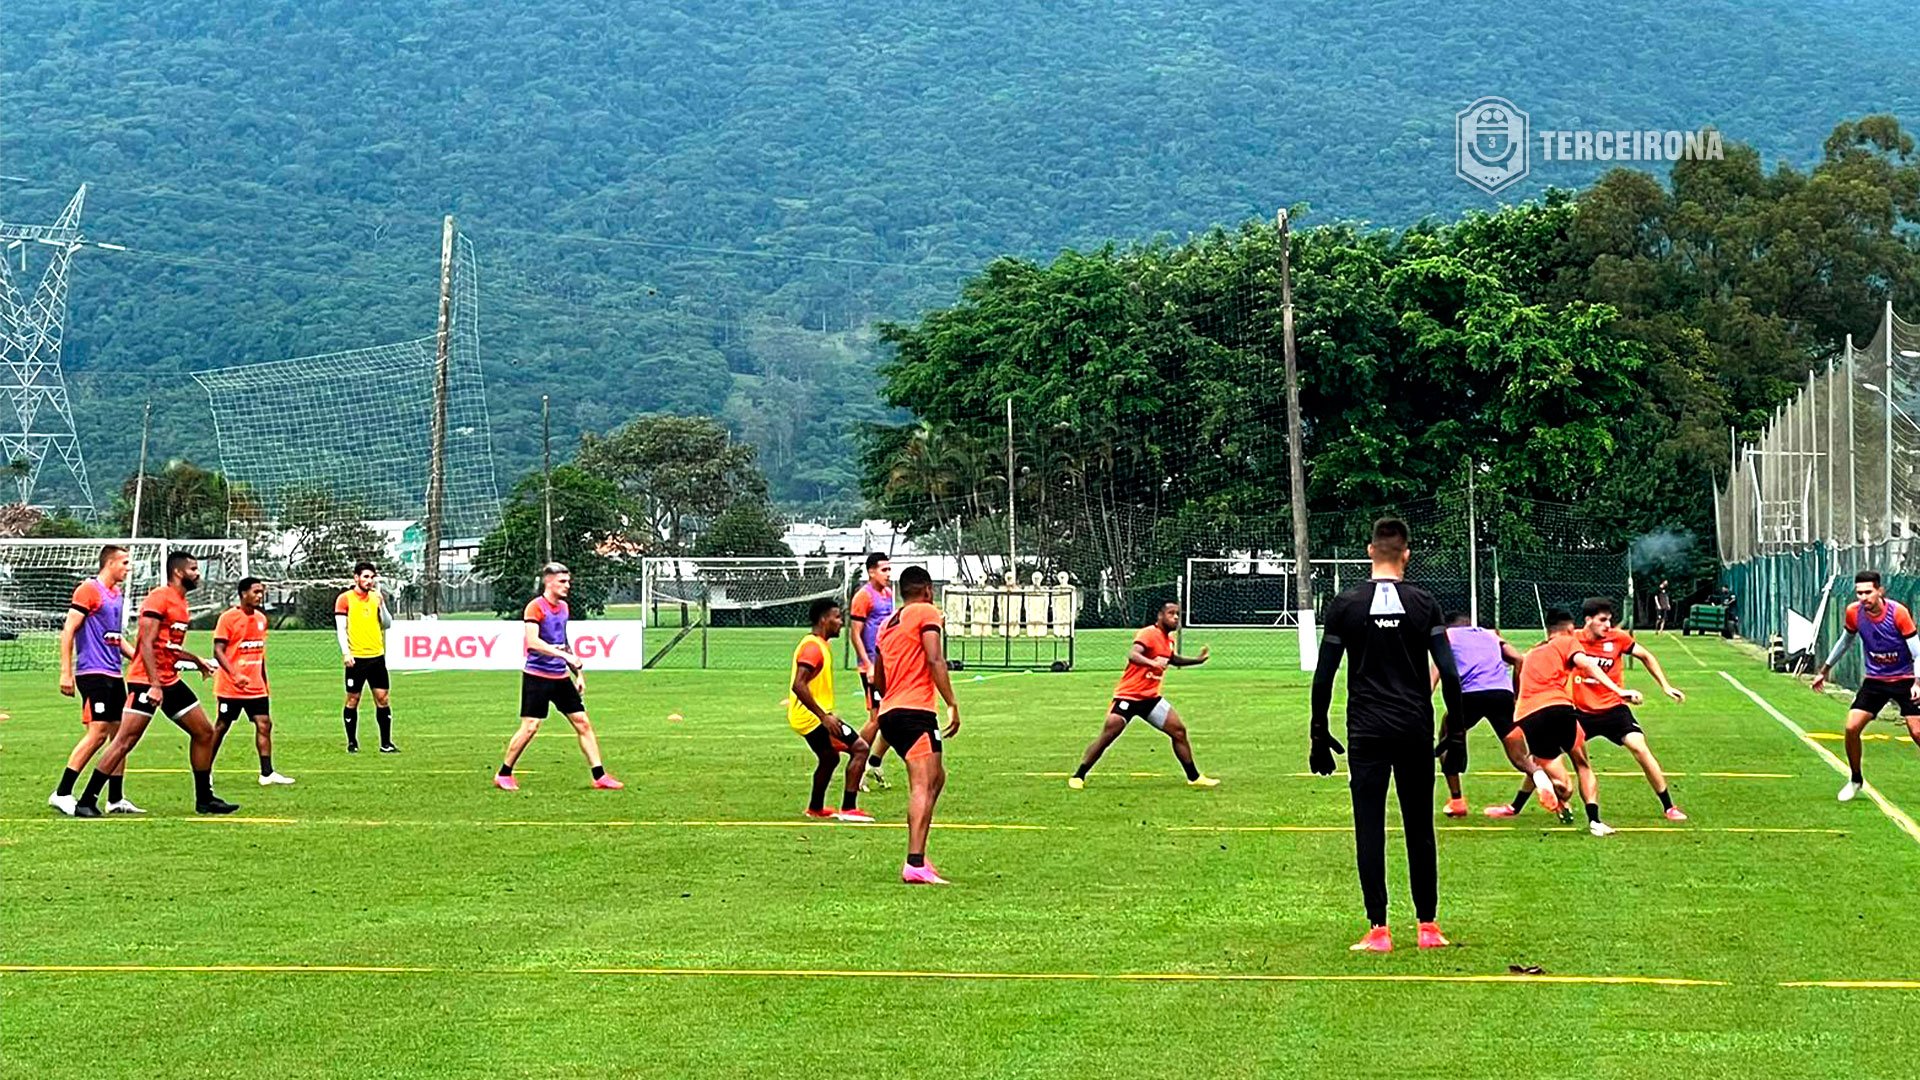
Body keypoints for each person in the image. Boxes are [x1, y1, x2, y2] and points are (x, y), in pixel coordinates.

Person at [1309, 518, 1464, 952]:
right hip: (1414, 727)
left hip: (1366, 731)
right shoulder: (1424, 603)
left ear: (1369, 550)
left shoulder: (1345, 604)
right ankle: (1428, 927)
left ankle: (1378, 929)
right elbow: (1449, 673)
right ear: (1407, 555)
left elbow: (1324, 677)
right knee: (1419, 826)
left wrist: (1318, 732)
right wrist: (1457, 734)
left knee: (1369, 827)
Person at [74, 551, 238, 816]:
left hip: (168, 679)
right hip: (146, 681)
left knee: (204, 732)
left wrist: (195, 660)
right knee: (124, 741)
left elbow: (168, 647)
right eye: (194, 569)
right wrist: (154, 684)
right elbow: (146, 644)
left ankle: (205, 799)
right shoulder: (159, 598)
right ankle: (87, 800)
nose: (198, 574)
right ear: (178, 572)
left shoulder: (182, 603)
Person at [1494, 609, 1642, 837]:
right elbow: (1587, 664)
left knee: (1563, 784)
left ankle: (1551, 788)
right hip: (1557, 708)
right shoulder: (1567, 642)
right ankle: (1595, 821)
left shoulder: (1532, 652)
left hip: (1527, 715)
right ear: (1571, 629)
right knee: (1582, 764)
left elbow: (1519, 681)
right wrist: (1618, 690)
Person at [494, 563, 623, 792]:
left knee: (583, 723)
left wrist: (578, 673)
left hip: (560, 677)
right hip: (537, 677)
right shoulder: (535, 607)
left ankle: (599, 775)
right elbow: (533, 643)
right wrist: (564, 655)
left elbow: (562, 641)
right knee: (531, 727)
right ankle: (504, 773)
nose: (567, 586)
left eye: (568, 581)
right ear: (548, 581)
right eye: (562, 582)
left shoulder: (563, 608)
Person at [869, 565, 960, 885]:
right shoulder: (926, 611)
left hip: (891, 713)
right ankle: (915, 862)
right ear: (928, 590)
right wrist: (951, 702)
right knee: (922, 783)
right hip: (915, 712)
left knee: (936, 778)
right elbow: (936, 658)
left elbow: (877, 678)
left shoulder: (887, 624)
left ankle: (919, 852)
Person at [1069, 601, 1218, 789]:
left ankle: (1194, 777)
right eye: (1171, 613)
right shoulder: (1148, 633)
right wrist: (1152, 664)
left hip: (1150, 699)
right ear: (1160, 616)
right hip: (1128, 697)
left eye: (1178, 614)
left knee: (1179, 731)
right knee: (1108, 735)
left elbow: (1172, 659)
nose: (1176, 617)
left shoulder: (1168, 640)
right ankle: (1079, 776)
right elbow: (1133, 654)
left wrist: (1197, 660)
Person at [1568, 597, 1686, 826]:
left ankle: (1669, 806)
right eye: (1602, 621)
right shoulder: (1572, 640)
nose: (1607, 626)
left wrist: (1665, 686)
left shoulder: (1618, 638)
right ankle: (1517, 804)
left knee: (1640, 749)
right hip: (1580, 712)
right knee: (1545, 753)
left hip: (1614, 709)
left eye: (1609, 620)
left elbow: (1646, 656)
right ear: (1588, 620)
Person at [1430, 613, 1553, 817]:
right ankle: (1538, 775)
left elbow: (1437, 670)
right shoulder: (1490, 635)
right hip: (1501, 694)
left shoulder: (1447, 636)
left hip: (1469, 696)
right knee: (1518, 755)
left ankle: (1457, 800)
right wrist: (1516, 693)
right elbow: (1518, 659)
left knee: (1447, 737)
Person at [1811, 570, 1920, 802]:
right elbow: (1845, 641)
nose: (1863, 597)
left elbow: (1917, 653)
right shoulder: (1853, 612)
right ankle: (1855, 779)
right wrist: (1824, 670)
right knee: (1851, 728)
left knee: (1917, 731)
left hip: (1906, 679)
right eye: (1859, 593)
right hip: (1875, 681)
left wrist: (1917, 682)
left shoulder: (1898, 613)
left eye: (1868, 592)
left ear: (1880, 591)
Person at [49, 545, 140, 816]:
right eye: (124, 562)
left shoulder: (117, 595)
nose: (128, 567)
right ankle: (62, 793)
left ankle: (115, 798)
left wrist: (141, 660)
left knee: (120, 735)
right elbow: (68, 631)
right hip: (92, 673)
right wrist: (66, 672)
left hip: (114, 673)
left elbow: (115, 637)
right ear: (109, 563)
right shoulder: (88, 589)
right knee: (98, 733)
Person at [788, 597, 873, 821]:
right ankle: (849, 808)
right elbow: (798, 684)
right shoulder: (812, 648)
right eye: (836, 617)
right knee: (861, 748)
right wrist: (823, 716)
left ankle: (815, 808)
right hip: (812, 718)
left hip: (808, 716)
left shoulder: (819, 645)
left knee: (829, 758)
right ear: (823, 619)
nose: (841, 622)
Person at [210, 577, 294, 786]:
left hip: (255, 687)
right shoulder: (228, 618)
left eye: (261, 592)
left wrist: (264, 681)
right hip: (231, 687)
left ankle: (267, 773)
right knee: (221, 726)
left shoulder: (261, 619)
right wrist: (235, 675)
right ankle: (205, 770)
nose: (259, 596)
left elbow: (260, 653)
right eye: (256, 592)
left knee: (264, 724)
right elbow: (218, 651)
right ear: (243, 594)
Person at [336, 561, 397, 753]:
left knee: (383, 698)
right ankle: (352, 742)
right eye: (365, 577)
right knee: (353, 699)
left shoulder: (375, 598)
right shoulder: (345, 599)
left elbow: (387, 624)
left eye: (372, 577)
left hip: (377, 656)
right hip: (357, 658)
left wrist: (382, 604)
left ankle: (386, 743)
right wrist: (346, 652)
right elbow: (341, 629)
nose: (369, 581)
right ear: (356, 578)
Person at [849, 552, 895, 790]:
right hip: (872, 667)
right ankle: (857, 761)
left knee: (891, 717)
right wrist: (867, 664)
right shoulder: (863, 597)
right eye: (884, 570)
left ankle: (873, 763)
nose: (888, 574)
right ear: (871, 572)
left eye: (889, 569)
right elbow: (855, 632)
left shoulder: (888, 595)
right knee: (877, 719)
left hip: (887, 665)